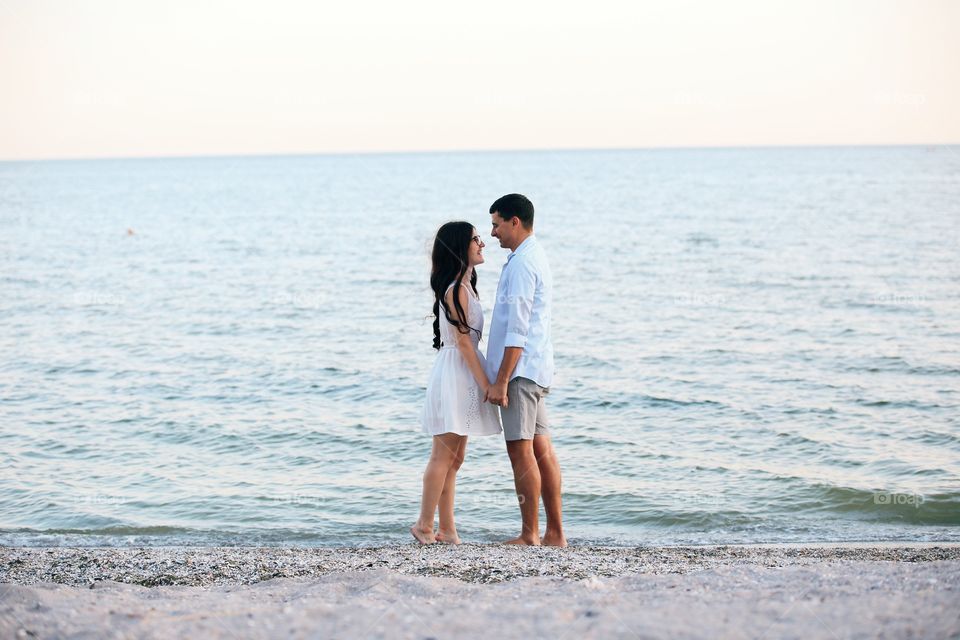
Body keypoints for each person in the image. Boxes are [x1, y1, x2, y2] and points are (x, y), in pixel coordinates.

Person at [412, 221, 503, 545]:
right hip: (455, 374)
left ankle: (448, 529)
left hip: (464, 374)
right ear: (459, 247)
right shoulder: (454, 289)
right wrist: (489, 386)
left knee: (456, 458)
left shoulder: (466, 287)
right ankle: (424, 524)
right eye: (476, 239)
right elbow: (464, 343)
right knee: (442, 455)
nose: (482, 243)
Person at [485, 194, 567, 547]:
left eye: (496, 224)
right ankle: (555, 533)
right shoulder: (534, 254)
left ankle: (530, 533)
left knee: (521, 451)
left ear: (514, 221)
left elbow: (517, 329)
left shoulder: (521, 264)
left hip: (520, 372)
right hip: (536, 368)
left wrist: (501, 380)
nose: (492, 233)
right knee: (542, 450)